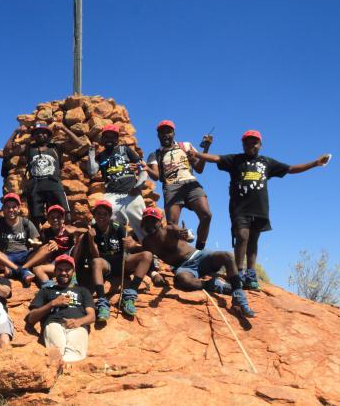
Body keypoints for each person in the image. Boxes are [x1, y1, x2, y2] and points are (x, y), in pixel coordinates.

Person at [188, 130, 330, 290]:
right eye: (247, 142)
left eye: (254, 142)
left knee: (253, 241)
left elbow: (290, 169)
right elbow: (216, 158)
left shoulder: (267, 162)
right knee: (242, 236)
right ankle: (238, 272)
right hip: (239, 207)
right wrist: (197, 154)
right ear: (243, 144)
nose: (251, 145)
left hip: (259, 208)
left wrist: (315, 163)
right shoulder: (235, 159)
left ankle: (250, 273)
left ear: (260, 145)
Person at [136, 207, 256, 317]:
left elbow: (188, 235)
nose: (149, 224)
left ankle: (238, 294)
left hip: (200, 256)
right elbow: (146, 260)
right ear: (142, 223)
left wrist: (187, 234)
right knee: (182, 279)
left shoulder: (171, 229)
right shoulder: (147, 242)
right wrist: (154, 274)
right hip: (184, 268)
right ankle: (212, 285)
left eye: (152, 220)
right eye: (146, 221)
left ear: (160, 221)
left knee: (226, 255)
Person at [144, 120, 212, 250]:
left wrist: (206, 148)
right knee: (171, 225)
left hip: (191, 182)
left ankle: (199, 250)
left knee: (206, 215)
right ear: (158, 135)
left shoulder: (185, 146)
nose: (165, 135)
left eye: (168, 131)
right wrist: (147, 169)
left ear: (174, 133)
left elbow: (199, 169)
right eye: (162, 132)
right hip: (171, 186)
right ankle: (177, 255)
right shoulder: (155, 154)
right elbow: (156, 176)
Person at [81, 200, 155, 321]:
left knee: (147, 255)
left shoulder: (117, 227)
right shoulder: (92, 230)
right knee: (96, 262)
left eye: (105, 214)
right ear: (94, 215)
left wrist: (131, 244)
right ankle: (102, 302)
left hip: (122, 263)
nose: (101, 217)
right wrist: (91, 239)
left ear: (109, 215)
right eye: (98, 213)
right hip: (106, 265)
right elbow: (95, 256)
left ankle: (129, 296)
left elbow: (130, 244)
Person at [4, 122, 82, 224]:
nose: (40, 134)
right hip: (35, 187)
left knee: (64, 213)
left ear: (49, 135)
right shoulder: (28, 148)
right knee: (36, 218)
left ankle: (65, 237)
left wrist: (64, 128)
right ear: (33, 136)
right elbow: (6, 151)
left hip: (54, 184)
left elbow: (78, 143)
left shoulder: (56, 147)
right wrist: (16, 132)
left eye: (44, 132)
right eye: (37, 133)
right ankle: (39, 238)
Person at [26, 255, 95, 363]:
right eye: (60, 270)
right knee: (56, 353)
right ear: (55, 271)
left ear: (73, 271)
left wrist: (79, 321)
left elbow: (92, 316)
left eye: (67, 270)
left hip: (78, 325)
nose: (63, 273)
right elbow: (31, 318)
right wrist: (52, 303)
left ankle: (61, 369)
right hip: (54, 323)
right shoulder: (46, 291)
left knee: (75, 355)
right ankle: (58, 367)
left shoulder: (83, 291)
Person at [87, 124, 149, 240]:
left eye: (112, 137)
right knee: (98, 222)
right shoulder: (101, 156)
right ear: (103, 139)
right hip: (112, 196)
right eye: (106, 137)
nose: (109, 139)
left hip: (131, 194)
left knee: (144, 227)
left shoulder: (125, 150)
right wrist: (91, 151)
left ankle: (153, 253)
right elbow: (92, 171)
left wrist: (138, 187)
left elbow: (143, 169)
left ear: (117, 139)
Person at [0, 193, 40, 285]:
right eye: (7, 207)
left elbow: (36, 241)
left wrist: (35, 245)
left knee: (49, 247)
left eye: (14, 207)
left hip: (25, 256)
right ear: (3, 209)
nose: (11, 210)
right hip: (6, 257)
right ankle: (21, 271)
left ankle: (16, 270)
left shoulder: (26, 223)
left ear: (19, 208)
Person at [30, 205, 80, 287]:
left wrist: (76, 231)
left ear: (63, 219)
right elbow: (42, 252)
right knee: (36, 269)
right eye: (52, 217)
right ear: (48, 220)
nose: (55, 220)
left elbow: (85, 231)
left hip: (70, 262)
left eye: (58, 217)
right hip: (55, 264)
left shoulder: (68, 228)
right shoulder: (45, 233)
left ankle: (73, 281)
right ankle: (50, 289)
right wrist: (36, 246)